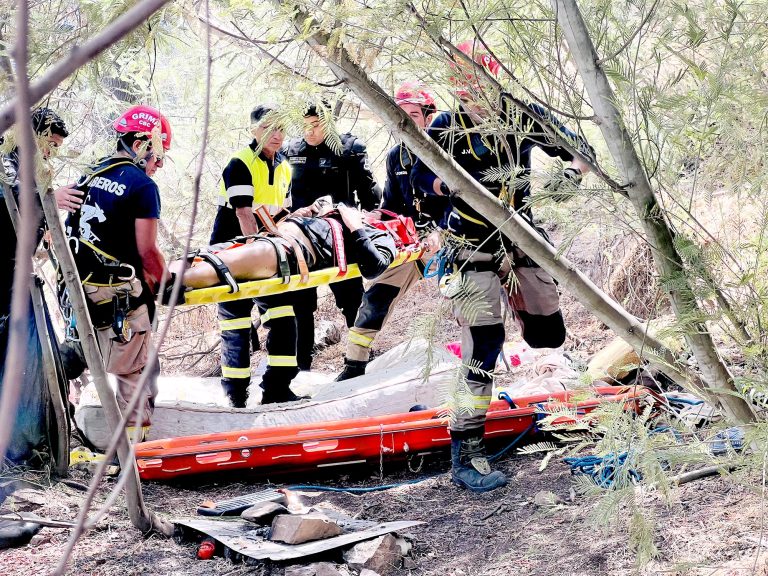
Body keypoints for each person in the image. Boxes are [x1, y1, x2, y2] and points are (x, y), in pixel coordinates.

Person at [410, 40, 592, 493]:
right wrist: (449, 186)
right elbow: (422, 180)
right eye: (465, 85)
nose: (474, 94)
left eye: (481, 81)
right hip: (469, 248)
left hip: (522, 240)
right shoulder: (445, 128)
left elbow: (578, 148)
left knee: (549, 335)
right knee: (484, 346)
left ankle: (518, 302)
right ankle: (465, 446)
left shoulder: (520, 115)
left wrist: (569, 177)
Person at [64, 104, 172, 441]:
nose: (159, 165)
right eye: (158, 156)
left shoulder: (90, 173)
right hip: (118, 295)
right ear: (142, 145)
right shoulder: (141, 186)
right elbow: (147, 251)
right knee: (135, 372)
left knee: (79, 355)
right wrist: (165, 283)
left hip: (78, 291)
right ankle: (134, 456)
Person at [336, 82, 448, 380]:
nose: (407, 120)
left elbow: (463, 200)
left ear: (428, 116)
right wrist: (376, 217)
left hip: (451, 237)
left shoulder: (447, 152)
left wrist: (440, 231)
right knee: (375, 298)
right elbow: (392, 205)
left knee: (471, 298)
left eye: (413, 113)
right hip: (412, 243)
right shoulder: (396, 156)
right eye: (401, 114)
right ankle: (353, 365)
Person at [283, 103, 382, 370]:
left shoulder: (349, 148)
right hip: (302, 241)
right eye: (305, 124)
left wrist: (371, 223)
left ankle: (361, 360)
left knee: (353, 302)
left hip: (341, 240)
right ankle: (300, 368)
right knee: (301, 308)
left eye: (316, 124)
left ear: (329, 123)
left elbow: (370, 192)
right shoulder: (290, 151)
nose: (310, 131)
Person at [0, 108, 74, 464]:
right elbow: (7, 197)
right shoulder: (8, 159)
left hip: (18, 275)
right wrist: (46, 196)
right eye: (50, 143)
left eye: (57, 147)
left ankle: (28, 443)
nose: (51, 153)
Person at [209, 104, 292, 407]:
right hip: (231, 256)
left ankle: (277, 390)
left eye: (281, 128)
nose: (276, 134)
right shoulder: (239, 163)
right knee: (236, 326)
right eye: (269, 127)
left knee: (284, 319)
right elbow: (244, 214)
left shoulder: (284, 166)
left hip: (266, 256)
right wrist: (263, 250)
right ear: (253, 130)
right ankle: (236, 396)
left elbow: (281, 212)